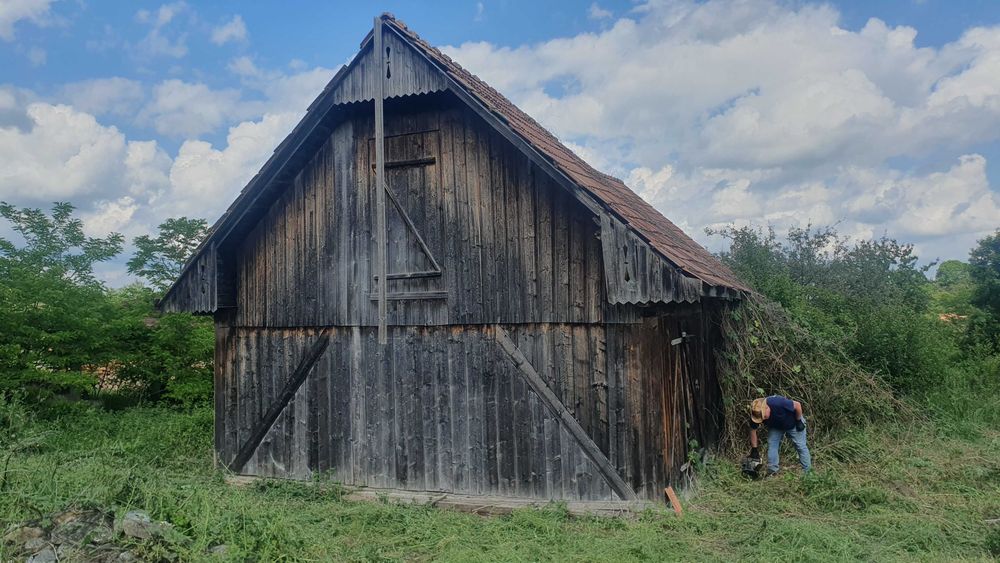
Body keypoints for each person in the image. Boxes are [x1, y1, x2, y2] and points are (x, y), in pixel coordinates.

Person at [748, 395, 811, 475]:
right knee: (772, 444)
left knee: (800, 446)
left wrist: (798, 421)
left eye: (764, 416)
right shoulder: (756, 413)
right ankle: (772, 471)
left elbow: (797, 405)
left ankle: (808, 472)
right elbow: (753, 430)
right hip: (776, 426)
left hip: (793, 422)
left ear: (767, 408)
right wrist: (754, 449)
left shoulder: (778, 403)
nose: (763, 419)